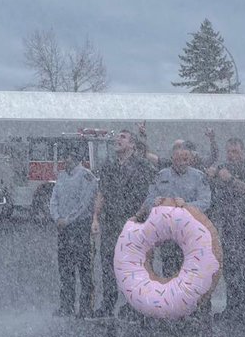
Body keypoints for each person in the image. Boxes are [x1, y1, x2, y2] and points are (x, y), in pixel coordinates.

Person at [136, 140, 214, 323]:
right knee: (170, 271)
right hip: (169, 235)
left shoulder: (198, 177)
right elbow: (149, 198)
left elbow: (205, 201)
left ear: (190, 159)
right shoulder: (161, 175)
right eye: (178, 158)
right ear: (172, 158)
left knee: (193, 272)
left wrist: (187, 206)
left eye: (186, 158)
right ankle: (174, 311)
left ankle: (197, 311)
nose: (182, 161)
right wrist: (154, 203)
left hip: (191, 235)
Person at [90, 129, 157, 319]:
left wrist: (139, 216)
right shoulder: (108, 165)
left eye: (123, 137)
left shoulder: (142, 166)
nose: (117, 139)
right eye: (117, 136)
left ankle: (133, 305)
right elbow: (101, 193)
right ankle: (108, 303)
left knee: (133, 264)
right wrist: (95, 217)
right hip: (111, 220)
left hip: (134, 221)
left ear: (132, 145)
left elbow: (150, 195)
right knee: (109, 262)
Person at [208, 138, 245, 325]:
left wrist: (230, 180)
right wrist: (212, 174)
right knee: (230, 271)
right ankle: (232, 308)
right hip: (229, 228)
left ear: (243, 152)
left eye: (235, 152)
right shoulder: (223, 168)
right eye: (229, 152)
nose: (232, 155)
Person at [48, 146, 97, 317]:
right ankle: (66, 305)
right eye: (64, 157)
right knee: (65, 269)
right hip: (63, 229)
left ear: (76, 157)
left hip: (80, 228)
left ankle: (85, 307)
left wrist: (68, 219)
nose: (65, 160)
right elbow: (54, 199)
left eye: (69, 156)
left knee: (84, 269)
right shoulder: (61, 176)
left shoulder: (86, 176)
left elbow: (85, 204)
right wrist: (56, 217)